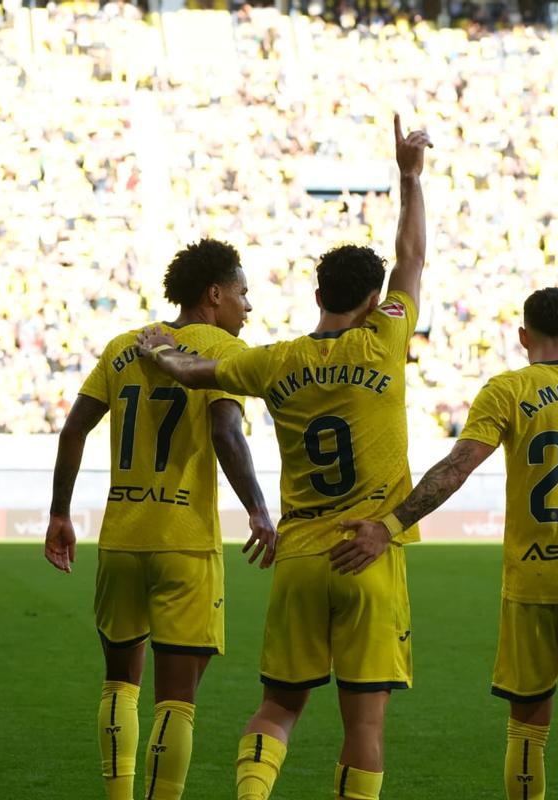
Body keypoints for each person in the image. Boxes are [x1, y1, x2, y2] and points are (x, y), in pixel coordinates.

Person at [134, 114, 431, 800]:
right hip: (370, 553)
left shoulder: (273, 362)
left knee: (278, 708)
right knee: (364, 723)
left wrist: (158, 350)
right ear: (369, 301)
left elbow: (193, 373)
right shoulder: (382, 340)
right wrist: (410, 178)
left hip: (300, 553)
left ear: (319, 296)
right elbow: (412, 260)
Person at [338, 287, 558, 800]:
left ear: (524, 336)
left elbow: (456, 470)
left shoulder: (506, 390)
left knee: (526, 722)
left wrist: (391, 523)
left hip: (530, 581)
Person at [43, 239, 277, 800]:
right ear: (215, 295)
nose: (249, 307)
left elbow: (73, 429)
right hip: (185, 544)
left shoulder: (125, 346)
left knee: (120, 684)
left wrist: (59, 513)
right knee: (176, 700)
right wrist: (259, 510)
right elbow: (225, 431)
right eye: (243, 294)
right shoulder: (218, 349)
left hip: (121, 539)